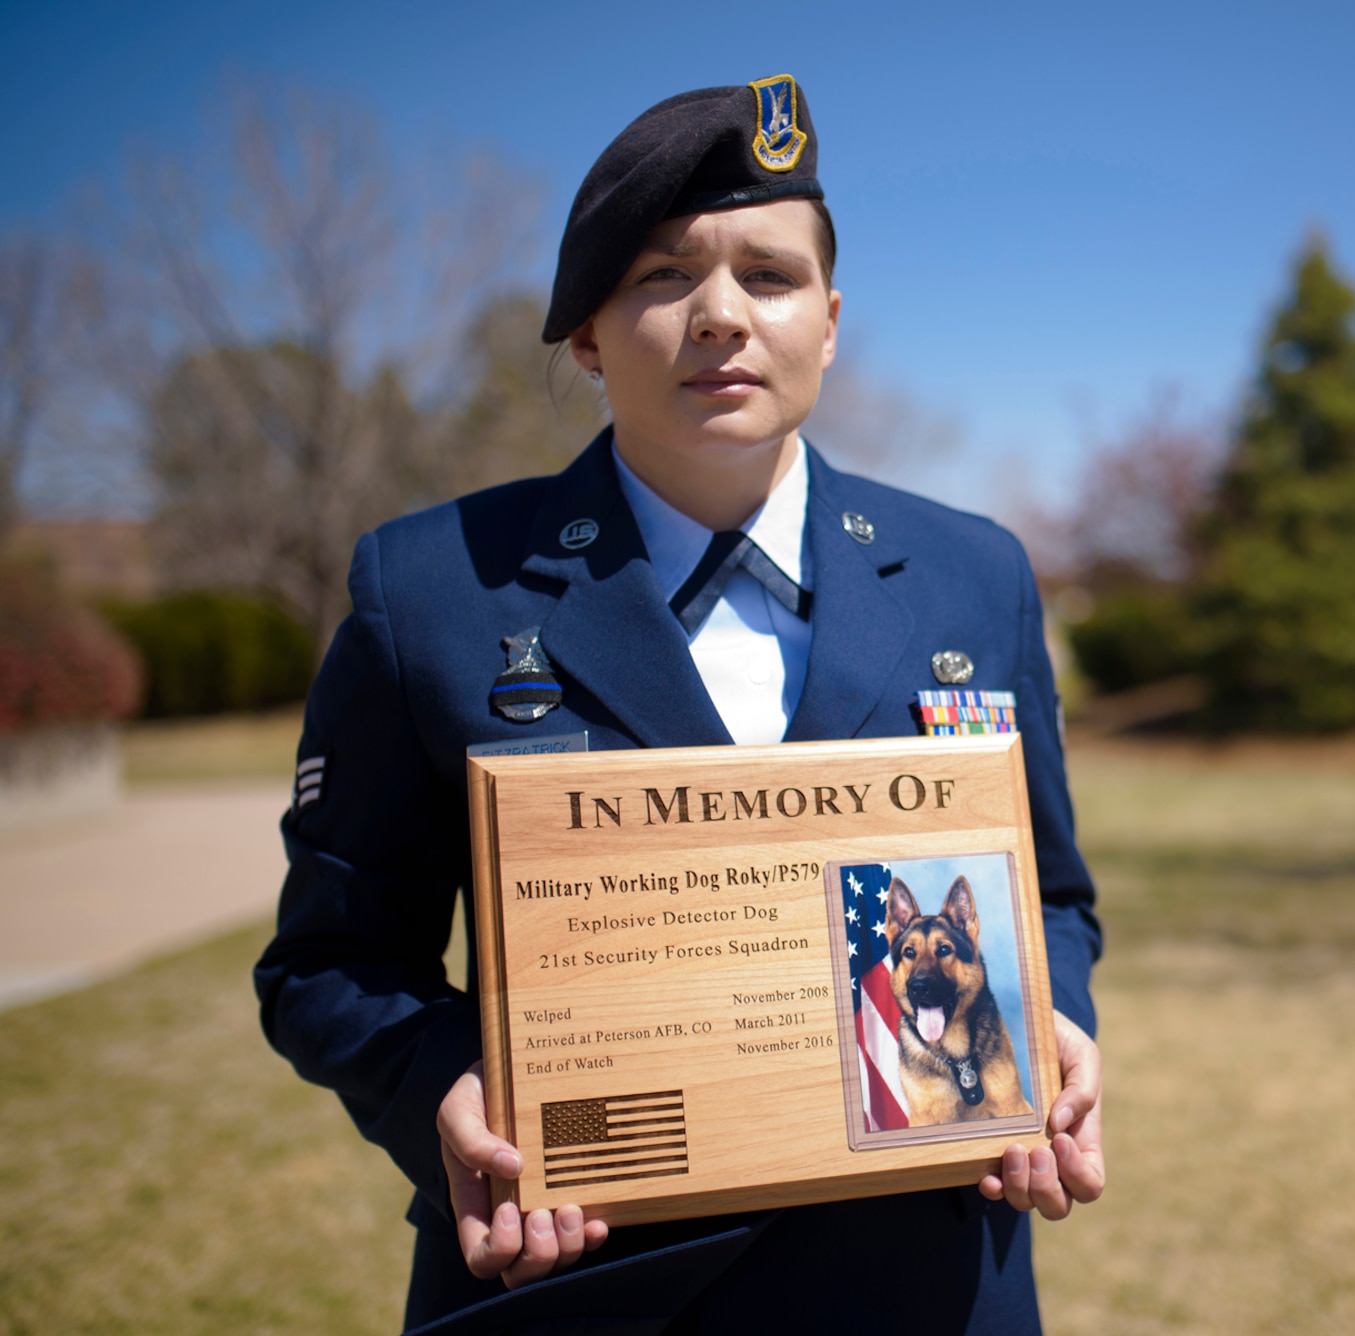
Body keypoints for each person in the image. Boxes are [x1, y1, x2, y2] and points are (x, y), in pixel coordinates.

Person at [253, 75, 1105, 1334]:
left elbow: (1052, 894)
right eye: (661, 277)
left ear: (828, 319)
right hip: (586, 1287)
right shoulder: (430, 587)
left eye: (767, 276)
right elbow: (329, 961)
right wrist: (442, 1083)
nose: (719, 316)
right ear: (587, 334)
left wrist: (1059, 1021)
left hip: (921, 1282)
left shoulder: (972, 573)